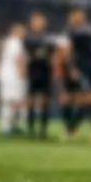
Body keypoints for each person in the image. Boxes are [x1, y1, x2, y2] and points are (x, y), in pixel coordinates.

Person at [59, 7, 91, 143]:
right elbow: (67, 52)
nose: (80, 17)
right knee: (87, 99)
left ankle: (78, 129)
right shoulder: (70, 31)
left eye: (81, 15)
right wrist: (72, 68)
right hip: (81, 68)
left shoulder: (88, 29)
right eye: (77, 15)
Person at [23, 11, 56, 139]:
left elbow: (51, 54)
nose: (38, 23)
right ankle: (31, 130)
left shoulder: (49, 37)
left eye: (40, 21)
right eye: (35, 21)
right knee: (31, 100)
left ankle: (43, 131)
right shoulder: (28, 37)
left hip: (46, 70)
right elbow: (31, 54)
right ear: (31, 23)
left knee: (45, 101)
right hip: (33, 70)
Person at [0, 22, 27, 135]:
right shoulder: (16, 43)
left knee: (8, 102)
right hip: (14, 76)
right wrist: (22, 74)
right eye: (22, 31)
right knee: (14, 102)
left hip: (5, 75)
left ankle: (8, 126)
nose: (24, 34)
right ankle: (8, 127)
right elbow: (19, 59)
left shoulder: (7, 42)